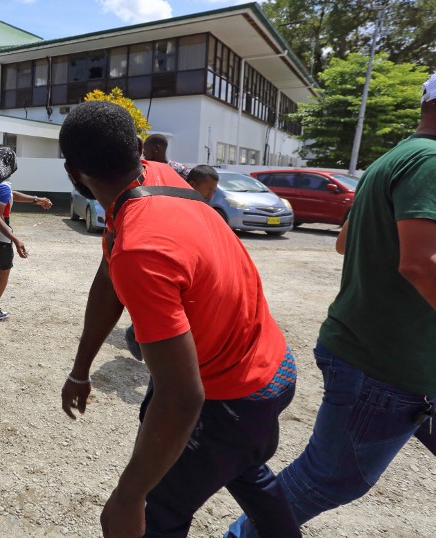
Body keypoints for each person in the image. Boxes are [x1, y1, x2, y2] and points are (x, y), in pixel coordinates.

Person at [58, 101, 298, 538]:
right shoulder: (159, 178)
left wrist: (128, 498)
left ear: (72, 173)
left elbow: (183, 398)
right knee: (239, 464)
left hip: (231, 398)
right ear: (137, 148)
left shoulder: (141, 249)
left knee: (154, 511)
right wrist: (80, 370)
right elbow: (109, 278)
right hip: (272, 370)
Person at [227, 75, 436, 537]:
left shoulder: (392, 159)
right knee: (328, 478)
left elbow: (343, 243)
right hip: (389, 362)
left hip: (381, 348)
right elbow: (421, 264)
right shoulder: (430, 163)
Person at [124, 163, 219, 362]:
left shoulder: (202, 205)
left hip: (192, 265)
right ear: (192, 184)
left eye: (213, 191)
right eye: (208, 190)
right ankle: (138, 338)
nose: (210, 194)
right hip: (174, 263)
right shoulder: (174, 200)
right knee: (162, 312)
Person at [0, 146, 51, 336]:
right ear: (11, 165)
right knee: (4, 271)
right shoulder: (2, 186)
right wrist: (16, 240)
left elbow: (10, 194)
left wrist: (35, 199)